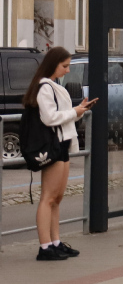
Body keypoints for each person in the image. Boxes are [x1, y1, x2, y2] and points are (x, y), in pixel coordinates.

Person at [24, 46, 96, 260]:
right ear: (52, 64)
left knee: (57, 197)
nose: (67, 70)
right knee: (48, 197)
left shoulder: (53, 86)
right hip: (53, 144)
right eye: (64, 66)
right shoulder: (45, 87)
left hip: (61, 143)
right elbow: (49, 118)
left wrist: (78, 109)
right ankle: (45, 246)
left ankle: (55, 242)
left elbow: (60, 116)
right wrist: (75, 111)